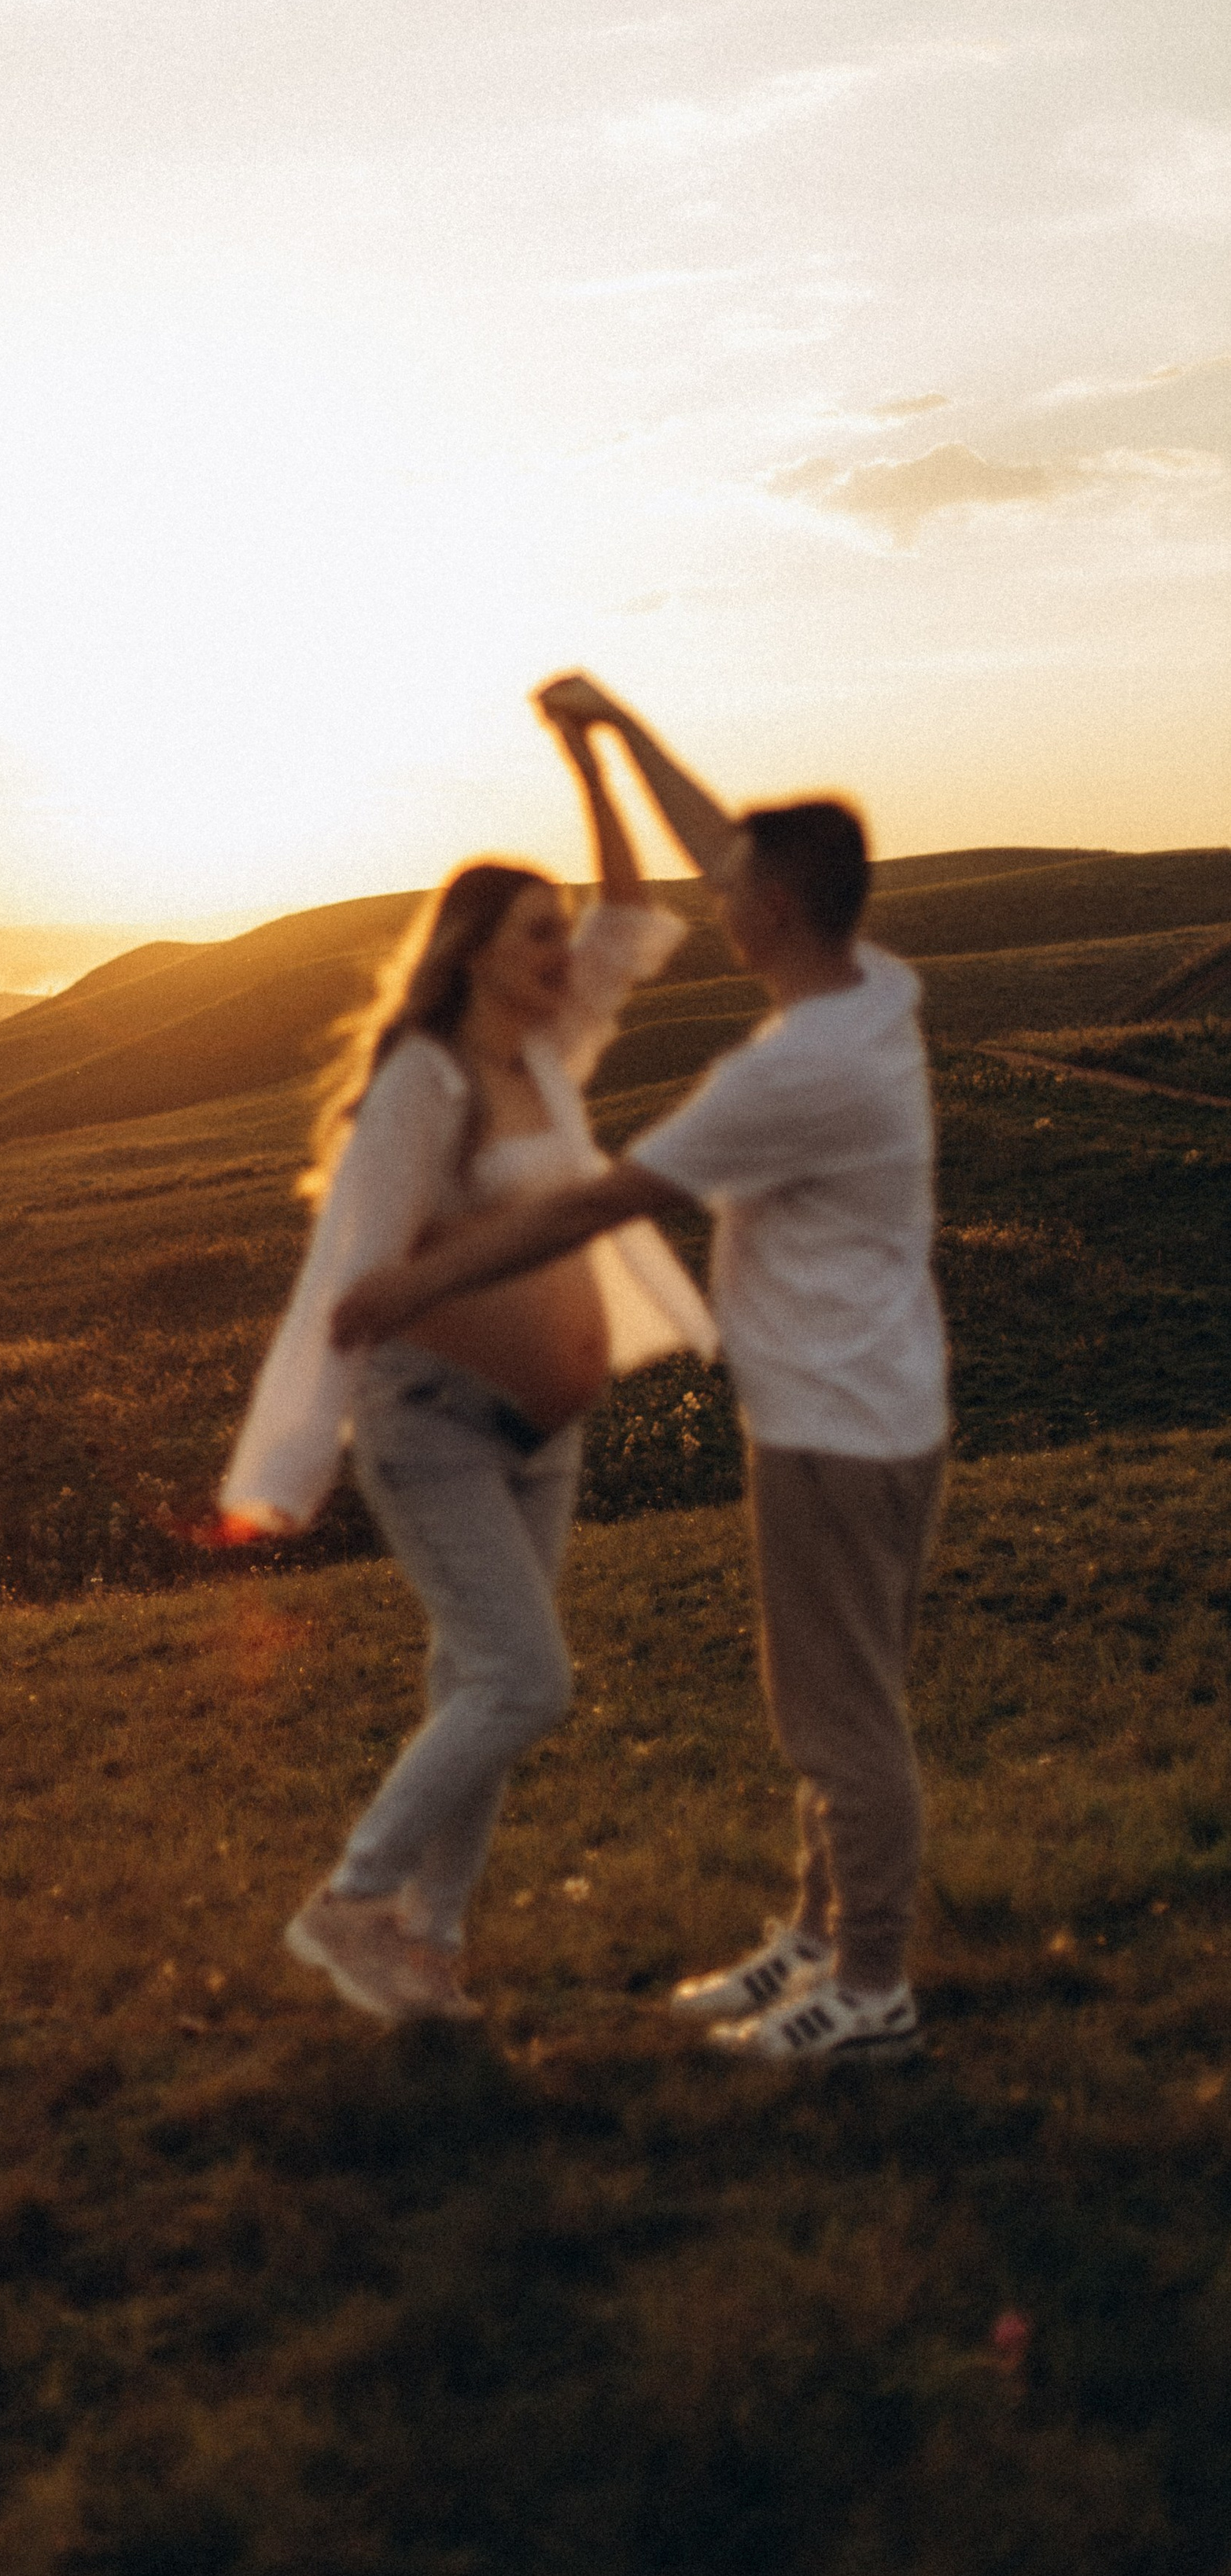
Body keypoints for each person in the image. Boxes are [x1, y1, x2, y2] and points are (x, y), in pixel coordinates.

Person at [333, 674, 950, 2065]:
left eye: (739, 889)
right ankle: (817, 1933)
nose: (718, 899)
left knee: (838, 1720)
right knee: (840, 1696)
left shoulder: (790, 1075)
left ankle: (871, 1988)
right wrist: (610, 732)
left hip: (837, 1427)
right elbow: (739, 848)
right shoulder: (871, 991)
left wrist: (413, 1285)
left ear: (774, 913)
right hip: (882, 1403)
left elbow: (594, 1207)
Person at [219, 697, 717, 2024]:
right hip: (433, 1425)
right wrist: (290, 1450)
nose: (568, 951)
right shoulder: (424, 1085)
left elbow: (630, 914)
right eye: (537, 934)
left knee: (475, 1683)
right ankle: (352, 1901)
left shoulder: (549, 1063)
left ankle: (429, 1945)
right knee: (522, 1681)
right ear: (476, 952)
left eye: (560, 935)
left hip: (542, 1433)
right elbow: (351, 1281)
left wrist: (592, 750)